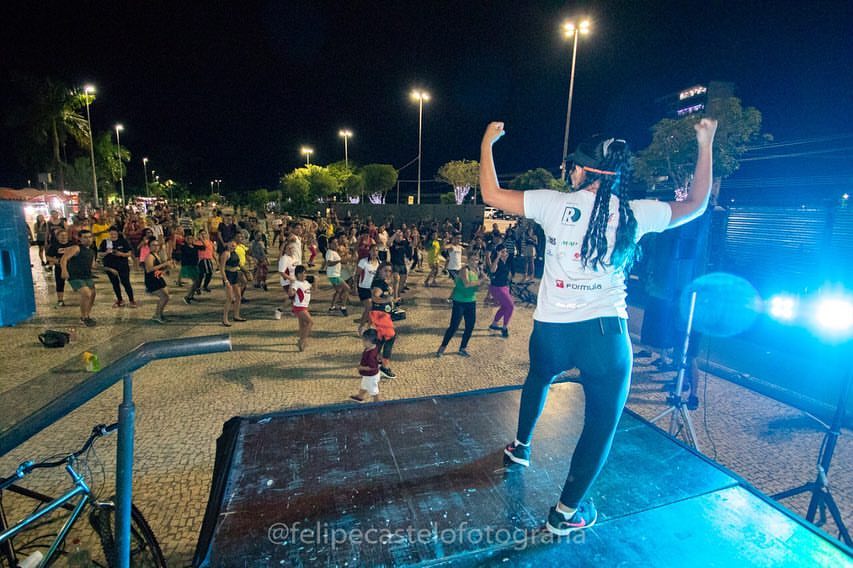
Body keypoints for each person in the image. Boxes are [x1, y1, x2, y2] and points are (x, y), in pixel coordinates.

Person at [479, 118, 717, 535]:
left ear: (585, 170)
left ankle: (520, 448)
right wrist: (705, 142)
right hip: (606, 338)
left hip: (552, 331)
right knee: (601, 424)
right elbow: (697, 204)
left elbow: (490, 193)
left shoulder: (553, 203)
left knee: (539, 377)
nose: (569, 172)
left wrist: (487, 144)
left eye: (573, 166)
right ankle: (565, 513)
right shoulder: (636, 212)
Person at [436, 254, 481, 357]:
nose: (475, 262)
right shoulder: (464, 269)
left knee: (470, 326)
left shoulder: (476, 271)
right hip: (459, 301)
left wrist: (481, 285)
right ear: (468, 260)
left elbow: (475, 288)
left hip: (471, 301)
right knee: (454, 326)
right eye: (473, 260)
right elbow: (466, 284)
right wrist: (481, 281)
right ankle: (442, 348)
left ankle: (462, 348)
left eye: (476, 260)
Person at [60, 230, 98, 326]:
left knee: (92, 295)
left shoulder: (91, 251)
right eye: (85, 237)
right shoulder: (76, 248)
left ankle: (87, 315)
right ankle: (83, 317)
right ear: (80, 239)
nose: (88, 239)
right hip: (75, 276)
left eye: (90, 237)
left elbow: (93, 265)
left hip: (87, 275)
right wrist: (64, 270)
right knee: (86, 293)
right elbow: (64, 259)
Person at [368, 264, 398, 379]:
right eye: (385, 270)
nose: (388, 273)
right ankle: (384, 368)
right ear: (379, 270)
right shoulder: (379, 283)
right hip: (380, 315)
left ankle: (373, 362)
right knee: (390, 338)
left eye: (390, 271)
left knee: (380, 339)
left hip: (382, 314)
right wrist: (386, 299)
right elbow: (375, 297)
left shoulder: (382, 282)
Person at [99, 227, 137, 308]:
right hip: (110, 266)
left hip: (122, 265)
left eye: (114, 234)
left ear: (117, 234)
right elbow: (100, 254)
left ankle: (132, 300)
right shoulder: (105, 242)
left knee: (126, 282)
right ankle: (119, 299)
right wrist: (106, 252)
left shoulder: (123, 241)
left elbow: (129, 253)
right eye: (111, 234)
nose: (113, 235)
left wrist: (121, 254)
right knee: (115, 283)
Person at [143, 237, 172, 324]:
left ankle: (159, 314)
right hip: (152, 280)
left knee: (166, 297)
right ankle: (157, 315)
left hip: (158, 278)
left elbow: (159, 268)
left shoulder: (157, 255)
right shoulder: (150, 256)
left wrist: (166, 269)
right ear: (149, 246)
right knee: (164, 297)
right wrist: (164, 264)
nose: (156, 247)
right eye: (153, 245)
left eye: (157, 245)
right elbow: (149, 269)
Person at [350, 328, 382, 403]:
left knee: (373, 390)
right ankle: (360, 397)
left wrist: (361, 367)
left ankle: (377, 401)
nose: (363, 342)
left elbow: (371, 367)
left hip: (371, 376)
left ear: (369, 341)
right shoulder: (373, 347)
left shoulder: (371, 354)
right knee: (364, 385)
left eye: (364, 340)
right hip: (369, 375)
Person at [488, 244, 513, 337]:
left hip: (504, 287)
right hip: (497, 287)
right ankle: (504, 328)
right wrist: (498, 257)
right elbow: (492, 270)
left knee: (505, 306)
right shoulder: (497, 261)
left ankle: (494, 324)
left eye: (505, 251)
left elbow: (508, 275)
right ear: (498, 253)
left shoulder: (506, 261)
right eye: (503, 252)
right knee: (510, 306)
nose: (505, 253)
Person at [219, 240, 246, 326]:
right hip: (228, 275)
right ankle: (225, 319)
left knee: (238, 296)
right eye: (231, 245)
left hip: (235, 275)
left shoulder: (235, 253)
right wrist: (226, 280)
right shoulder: (226, 254)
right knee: (229, 298)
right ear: (227, 245)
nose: (233, 247)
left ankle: (236, 315)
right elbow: (222, 269)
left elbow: (238, 264)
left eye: (234, 246)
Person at [356, 245, 381, 334]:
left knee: (373, 309)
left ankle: (369, 327)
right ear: (369, 251)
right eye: (373, 250)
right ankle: (361, 327)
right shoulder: (363, 262)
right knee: (369, 307)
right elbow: (357, 275)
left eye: (377, 250)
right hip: (363, 288)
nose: (375, 252)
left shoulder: (379, 263)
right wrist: (354, 287)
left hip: (374, 289)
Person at [290, 265, 313, 351]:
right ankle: (303, 340)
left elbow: (314, 289)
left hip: (304, 307)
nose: (305, 275)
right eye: (303, 273)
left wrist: (315, 281)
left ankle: (301, 341)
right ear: (298, 274)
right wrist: (291, 285)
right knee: (310, 322)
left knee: (303, 325)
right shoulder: (296, 283)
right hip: (299, 307)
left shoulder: (306, 283)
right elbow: (291, 294)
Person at [46, 228, 71, 307]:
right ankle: (60, 299)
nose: (63, 237)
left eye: (65, 235)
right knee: (60, 283)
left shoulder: (72, 244)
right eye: (61, 235)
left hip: (72, 267)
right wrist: (55, 260)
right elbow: (48, 257)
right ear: (57, 237)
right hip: (59, 267)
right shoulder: (54, 246)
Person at [325, 238, 349, 315]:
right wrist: (339, 261)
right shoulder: (330, 252)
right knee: (347, 288)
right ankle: (343, 307)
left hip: (335, 274)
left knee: (338, 291)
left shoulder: (334, 252)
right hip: (334, 275)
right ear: (330, 244)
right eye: (334, 243)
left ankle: (332, 308)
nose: (336, 244)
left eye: (337, 243)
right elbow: (329, 263)